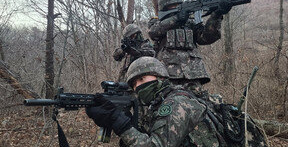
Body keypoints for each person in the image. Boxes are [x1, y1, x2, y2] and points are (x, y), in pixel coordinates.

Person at [86, 56, 267, 147]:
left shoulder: (176, 103)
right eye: (133, 84)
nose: (137, 87)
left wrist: (120, 124)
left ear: (160, 77)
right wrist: (125, 119)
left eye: (142, 79)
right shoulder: (157, 103)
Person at [148, 0, 232, 92]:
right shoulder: (156, 22)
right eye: (172, 6)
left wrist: (216, 15)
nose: (176, 8)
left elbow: (205, 38)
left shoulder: (190, 22)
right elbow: (153, 32)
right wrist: (177, 19)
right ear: (164, 8)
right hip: (168, 75)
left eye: (178, 5)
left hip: (193, 74)